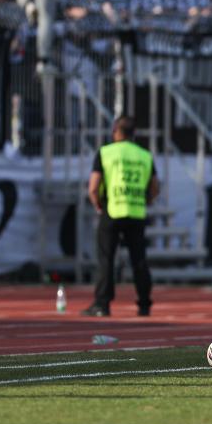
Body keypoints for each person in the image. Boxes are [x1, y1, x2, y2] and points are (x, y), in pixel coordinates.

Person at [84, 116, 159, 317]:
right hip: (135, 212)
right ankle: (144, 304)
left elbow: (93, 187)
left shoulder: (106, 152)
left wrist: (98, 205)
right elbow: (154, 187)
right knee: (139, 260)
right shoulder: (144, 155)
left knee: (106, 259)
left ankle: (102, 304)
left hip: (112, 210)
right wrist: (147, 201)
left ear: (117, 131)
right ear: (133, 133)